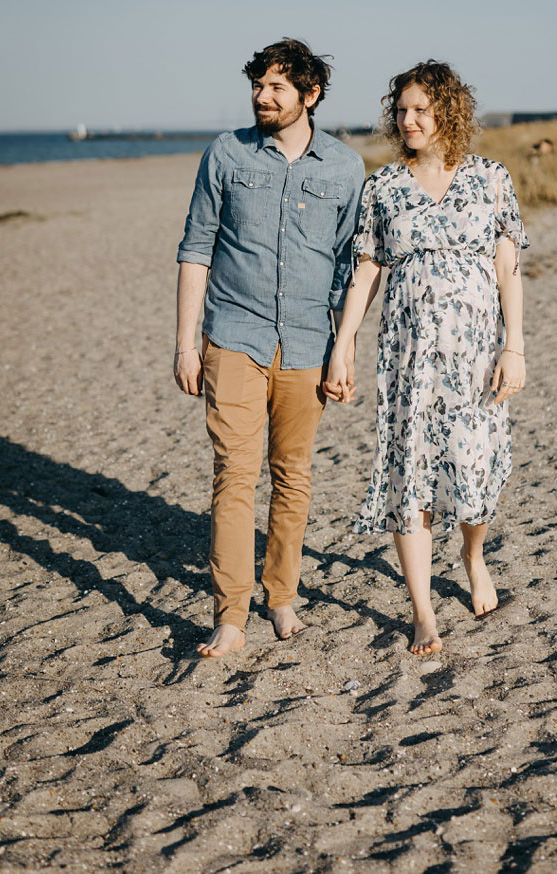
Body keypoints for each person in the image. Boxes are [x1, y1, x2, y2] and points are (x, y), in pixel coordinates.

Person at [327, 60, 528, 656]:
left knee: (473, 470)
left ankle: (472, 554)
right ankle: (422, 612)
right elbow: (366, 271)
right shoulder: (384, 186)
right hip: (407, 357)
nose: (408, 120)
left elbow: (508, 267)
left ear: (447, 112)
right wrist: (344, 346)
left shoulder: (491, 178)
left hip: (475, 356)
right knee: (407, 473)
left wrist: (513, 346)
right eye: (402, 110)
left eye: (421, 109)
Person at [174, 38, 365, 658]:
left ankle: (280, 595)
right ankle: (230, 613)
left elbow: (348, 267)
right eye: (258, 85)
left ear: (310, 96)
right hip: (232, 337)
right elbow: (196, 248)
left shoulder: (344, 168)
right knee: (235, 476)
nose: (263, 96)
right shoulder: (226, 154)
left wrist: (345, 348)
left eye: (277, 87)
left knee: (294, 477)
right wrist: (185, 344)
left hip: (309, 343)